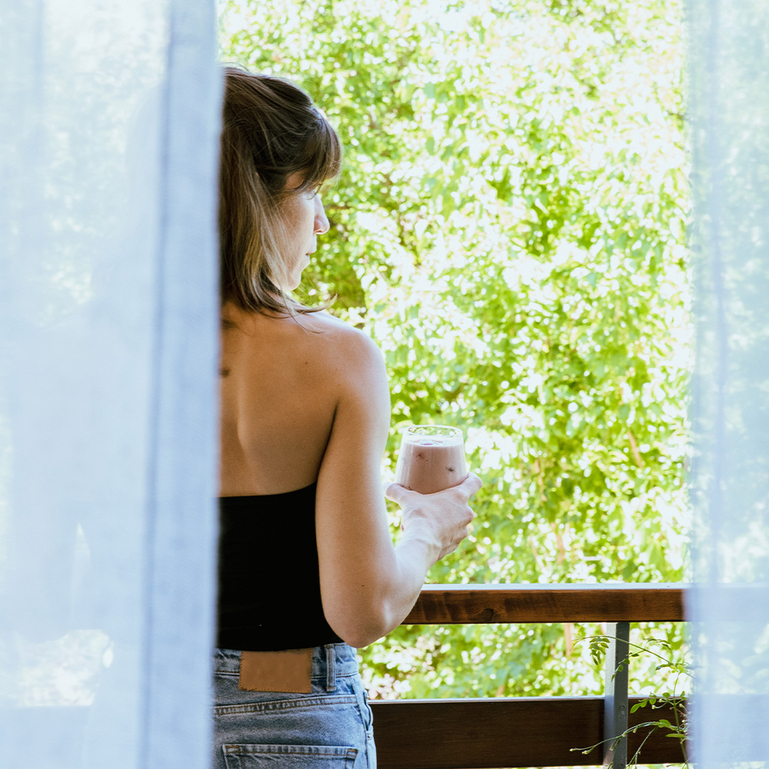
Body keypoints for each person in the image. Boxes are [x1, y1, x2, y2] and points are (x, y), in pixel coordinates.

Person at [213, 65, 482, 769]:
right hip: (290, 720)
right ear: (257, 202)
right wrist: (426, 530)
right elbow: (359, 611)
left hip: (134, 714)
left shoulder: (91, 353)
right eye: (312, 193)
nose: (323, 222)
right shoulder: (336, 359)